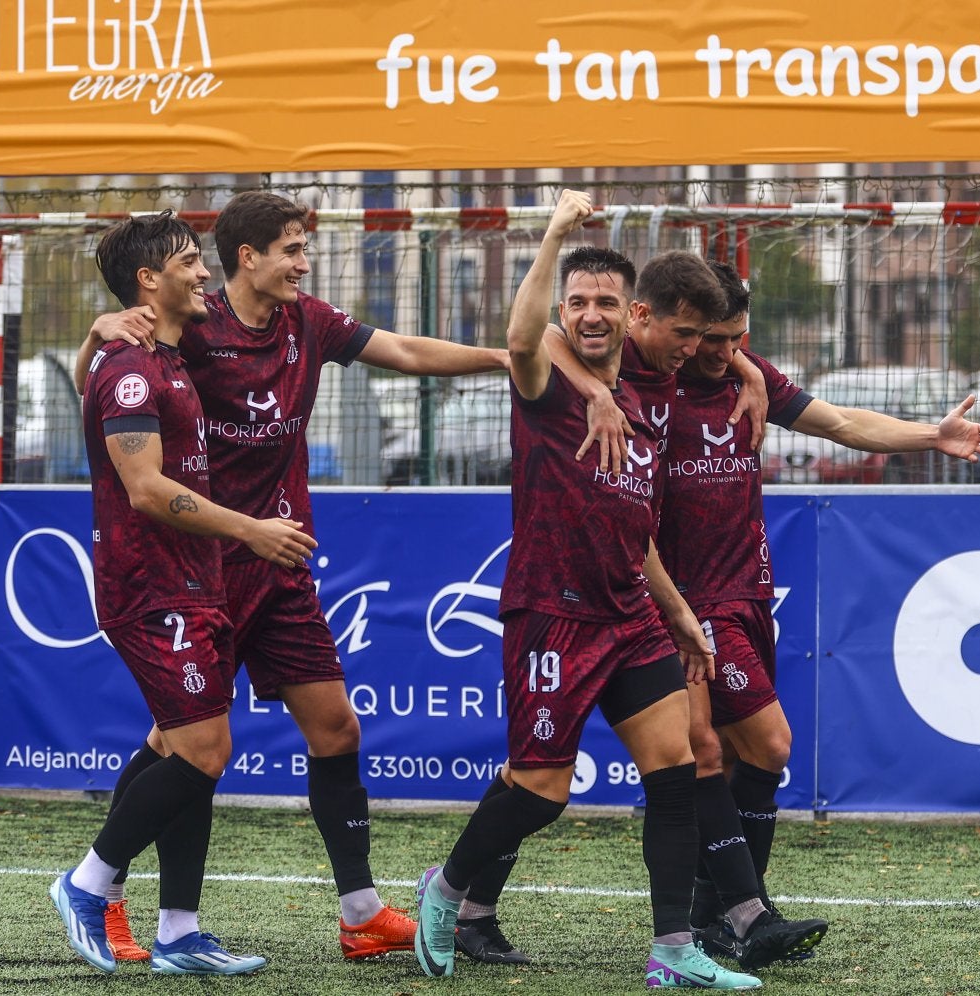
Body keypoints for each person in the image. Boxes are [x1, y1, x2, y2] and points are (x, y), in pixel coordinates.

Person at [75, 190, 509, 962]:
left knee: (335, 727)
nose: (304, 263)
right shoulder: (189, 326)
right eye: (293, 249)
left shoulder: (309, 322)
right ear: (248, 257)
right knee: (184, 745)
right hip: (204, 564)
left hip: (279, 565)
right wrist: (97, 331)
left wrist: (504, 360)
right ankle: (112, 896)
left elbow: (408, 353)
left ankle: (359, 912)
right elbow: (111, 379)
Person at [410, 189, 761, 990]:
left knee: (675, 768)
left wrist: (678, 613)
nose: (590, 314)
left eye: (605, 301)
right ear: (563, 312)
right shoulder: (544, 383)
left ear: (629, 311)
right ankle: (449, 888)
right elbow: (520, 337)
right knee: (542, 791)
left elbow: (634, 528)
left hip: (630, 614)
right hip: (552, 615)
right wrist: (555, 233)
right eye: (577, 303)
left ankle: (673, 949)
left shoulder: (639, 397)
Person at [454, 252, 828, 973]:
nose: (707, 351)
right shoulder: (609, 361)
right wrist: (595, 388)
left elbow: (824, 415)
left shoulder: (695, 369)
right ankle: (460, 897)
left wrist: (749, 369)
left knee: (689, 760)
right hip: (567, 602)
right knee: (540, 782)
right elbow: (540, 336)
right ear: (646, 319)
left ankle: (707, 927)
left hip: (645, 599)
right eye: (696, 336)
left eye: (723, 340)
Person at [668, 260, 980, 958]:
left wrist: (931, 435)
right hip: (690, 604)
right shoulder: (650, 383)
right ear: (683, 326)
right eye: (711, 339)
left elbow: (843, 422)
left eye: (736, 339)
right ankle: (742, 912)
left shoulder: (747, 373)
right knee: (766, 745)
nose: (723, 352)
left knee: (729, 757)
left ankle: (716, 913)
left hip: (748, 592)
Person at [51, 211, 316, 976]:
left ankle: (179, 933)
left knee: (180, 745)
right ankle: (86, 883)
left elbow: (92, 380)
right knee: (203, 749)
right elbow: (143, 488)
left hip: (194, 583)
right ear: (149, 280)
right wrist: (250, 529)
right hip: (151, 587)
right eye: (189, 262)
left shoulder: (161, 358)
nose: (204, 275)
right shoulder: (133, 368)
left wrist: (94, 336)